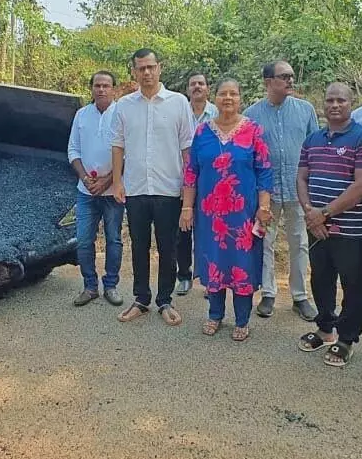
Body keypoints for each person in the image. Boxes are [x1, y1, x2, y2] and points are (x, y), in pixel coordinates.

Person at [181, 77, 274, 341]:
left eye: (234, 93)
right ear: (216, 98)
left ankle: (242, 319)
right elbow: (191, 173)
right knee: (214, 260)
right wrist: (187, 207)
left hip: (243, 214)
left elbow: (264, 171)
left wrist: (264, 207)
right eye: (223, 94)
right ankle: (215, 314)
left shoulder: (253, 130)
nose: (228, 98)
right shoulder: (202, 132)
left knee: (242, 263)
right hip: (209, 215)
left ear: (240, 97)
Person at [295, 82, 362, 367]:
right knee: (321, 279)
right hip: (316, 225)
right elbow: (302, 178)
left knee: (353, 284)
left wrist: (324, 214)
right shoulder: (313, 139)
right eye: (329, 100)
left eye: (341, 100)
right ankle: (325, 329)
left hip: (352, 230)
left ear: (351, 102)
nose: (334, 105)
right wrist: (310, 212)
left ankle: (346, 338)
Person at [110, 48, 193, 326]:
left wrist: (188, 187)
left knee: (168, 247)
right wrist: (118, 182)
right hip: (135, 188)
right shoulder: (124, 105)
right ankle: (141, 298)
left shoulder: (178, 102)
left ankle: (165, 300)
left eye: (150, 67)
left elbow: (187, 148)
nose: (146, 73)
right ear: (133, 71)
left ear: (160, 68)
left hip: (169, 189)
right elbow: (118, 145)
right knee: (139, 245)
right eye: (140, 68)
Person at [243, 60, 319, 320]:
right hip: (266, 190)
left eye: (291, 76)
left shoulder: (305, 110)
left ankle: (300, 296)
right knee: (265, 240)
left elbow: (314, 150)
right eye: (284, 76)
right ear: (268, 82)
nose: (290, 80)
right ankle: (268, 294)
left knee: (300, 241)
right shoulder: (251, 115)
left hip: (299, 189)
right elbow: (248, 155)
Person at [68, 70, 125, 307]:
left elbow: (127, 153)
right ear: (91, 88)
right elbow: (73, 151)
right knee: (83, 240)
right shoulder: (81, 115)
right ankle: (89, 286)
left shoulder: (122, 115)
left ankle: (110, 286)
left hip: (113, 192)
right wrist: (85, 177)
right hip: (86, 191)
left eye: (106, 85)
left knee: (114, 240)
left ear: (114, 89)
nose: (101, 89)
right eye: (97, 85)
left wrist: (108, 180)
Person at [176, 72, 219, 296]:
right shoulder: (179, 112)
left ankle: (211, 278)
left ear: (208, 88)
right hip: (182, 182)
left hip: (211, 183)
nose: (197, 87)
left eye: (201, 83)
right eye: (192, 84)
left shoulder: (218, 114)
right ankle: (184, 276)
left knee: (210, 232)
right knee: (182, 231)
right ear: (187, 89)